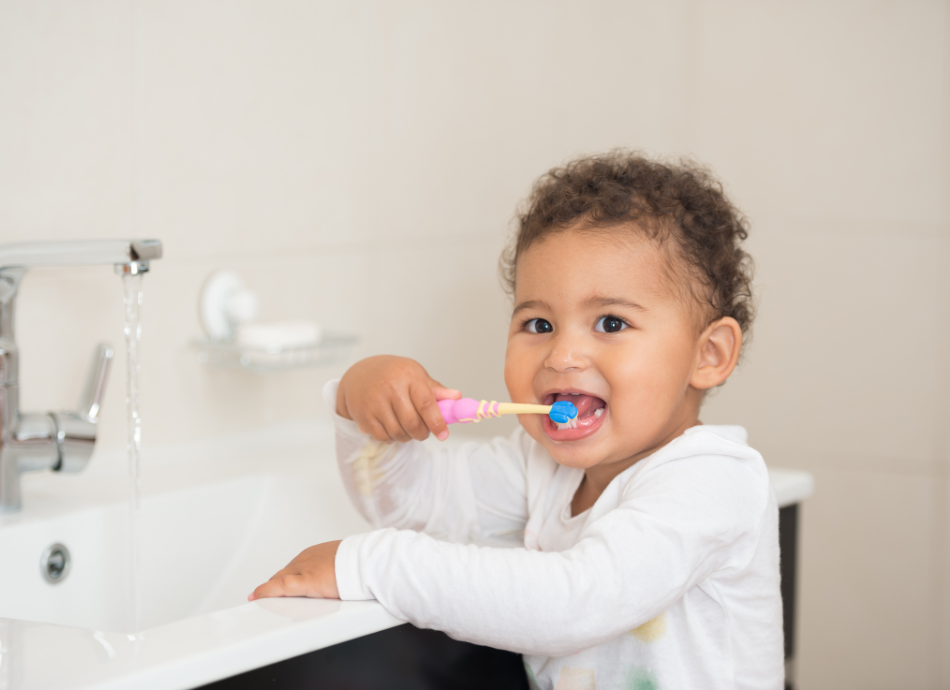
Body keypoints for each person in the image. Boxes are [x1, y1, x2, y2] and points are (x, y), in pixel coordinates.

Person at [250, 151, 783, 690]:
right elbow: (415, 506)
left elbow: (577, 600)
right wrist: (361, 410)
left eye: (611, 322)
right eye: (539, 322)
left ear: (708, 354)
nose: (562, 355)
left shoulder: (713, 480)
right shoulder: (542, 466)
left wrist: (371, 564)